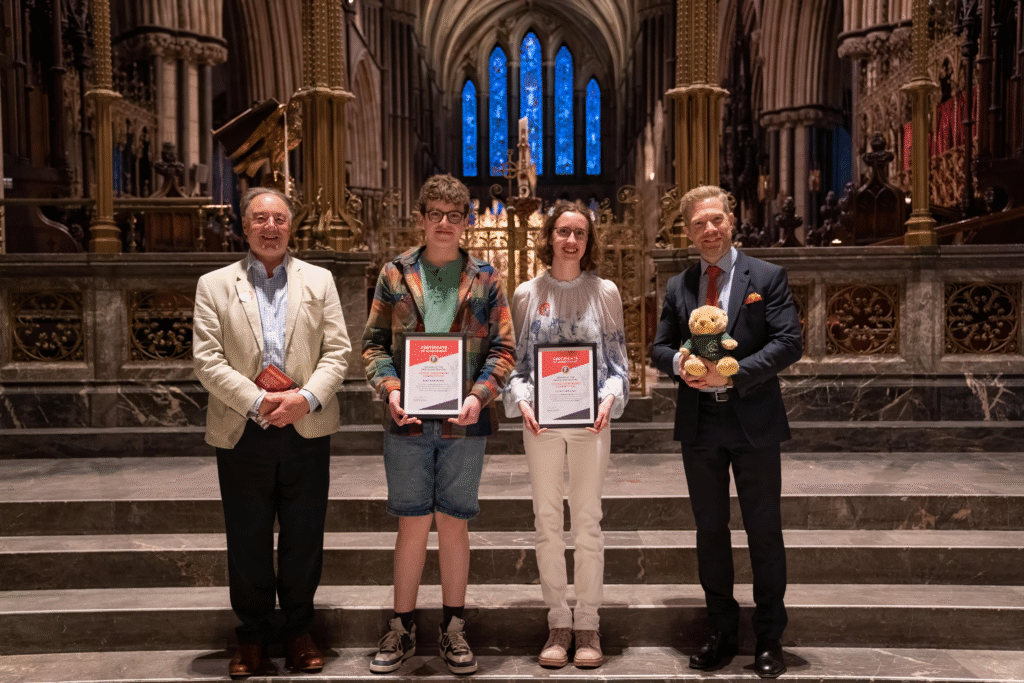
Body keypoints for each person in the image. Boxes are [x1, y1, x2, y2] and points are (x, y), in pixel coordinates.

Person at [193, 187, 351, 678]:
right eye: (260, 218)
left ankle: (299, 631)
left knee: (304, 536)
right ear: (245, 226)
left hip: (305, 424)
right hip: (244, 426)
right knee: (247, 538)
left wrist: (304, 398)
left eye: (278, 218)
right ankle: (254, 637)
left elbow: (339, 351)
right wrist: (259, 401)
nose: (269, 227)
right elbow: (206, 360)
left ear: (291, 225)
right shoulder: (214, 284)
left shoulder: (319, 280)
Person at [362, 173, 516, 675]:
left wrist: (479, 395)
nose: (444, 224)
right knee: (411, 524)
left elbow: (505, 348)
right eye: (435, 215)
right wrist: (391, 389)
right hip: (407, 417)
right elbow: (373, 345)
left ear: (466, 221)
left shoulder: (487, 278)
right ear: (422, 218)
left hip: (464, 420)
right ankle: (401, 628)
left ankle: (453, 629)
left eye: (454, 216)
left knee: (453, 522)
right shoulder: (395, 273)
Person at [651, 185, 802, 679]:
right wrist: (681, 362)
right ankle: (720, 631)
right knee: (710, 531)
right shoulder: (680, 285)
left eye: (716, 219)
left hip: (752, 418)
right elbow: (658, 347)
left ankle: (768, 637)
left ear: (731, 220)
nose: (709, 230)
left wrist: (734, 371)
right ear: (688, 231)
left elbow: (788, 342)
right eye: (699, 224)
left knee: (764, 531)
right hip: (701, 423)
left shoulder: (766, 276)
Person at [503, 201, 629, 669]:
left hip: (591, 422)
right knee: (547, 520)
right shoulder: (526, 294)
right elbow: (516, 366)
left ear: (588, 241)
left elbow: (618, 364)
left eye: (579, 232)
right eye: (562, 232)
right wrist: (524, 402)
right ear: (549, 237)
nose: (570, 240)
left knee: (589, 522)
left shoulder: (606, 292)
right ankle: (558, 621)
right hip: (543, 423)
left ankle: (589, 623)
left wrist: (608, 400)